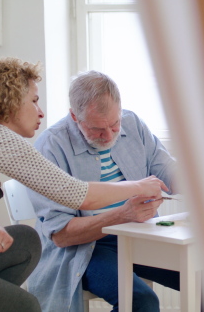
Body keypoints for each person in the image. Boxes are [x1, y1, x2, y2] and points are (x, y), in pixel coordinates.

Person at [0, 58, 167, 312]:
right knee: (26, 306)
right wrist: (138, 187)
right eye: (33, 100)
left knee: (23, 243)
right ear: (10, 104)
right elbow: (78, 195)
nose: (41, 111)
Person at [26, 71, 180, 312]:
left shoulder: (133, 123)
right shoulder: (50, 147)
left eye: (115, 124)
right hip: (85, 249)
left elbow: (167, 172)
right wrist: (122, 215)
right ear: (74, 116)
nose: (109, 136)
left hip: (138, 237)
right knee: (141, 300)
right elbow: (62, 235)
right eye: (97, 129)